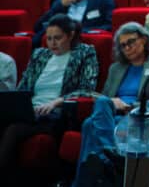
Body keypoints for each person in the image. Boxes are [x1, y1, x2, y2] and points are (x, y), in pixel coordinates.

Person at [66, 22, 149, 187]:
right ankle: (109, 151)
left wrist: (129, 106)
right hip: (110, 116)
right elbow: (104, 98)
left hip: (137, 117)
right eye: (122, 45)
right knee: (102, 105)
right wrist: (113, 103)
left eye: (131, 42)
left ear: (143, 39)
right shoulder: (116, 68)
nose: (127, 48)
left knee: (90, 124)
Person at [0, 15, 98, 173]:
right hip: (30, 110)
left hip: (56, 113)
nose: (52, 43)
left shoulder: (85, 53)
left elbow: (87, 89)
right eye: (49, 38)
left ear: (70, 35)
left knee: (14, 129)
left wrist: (56, 102)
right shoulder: (40, 54)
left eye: (58, 38)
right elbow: (23, 86)